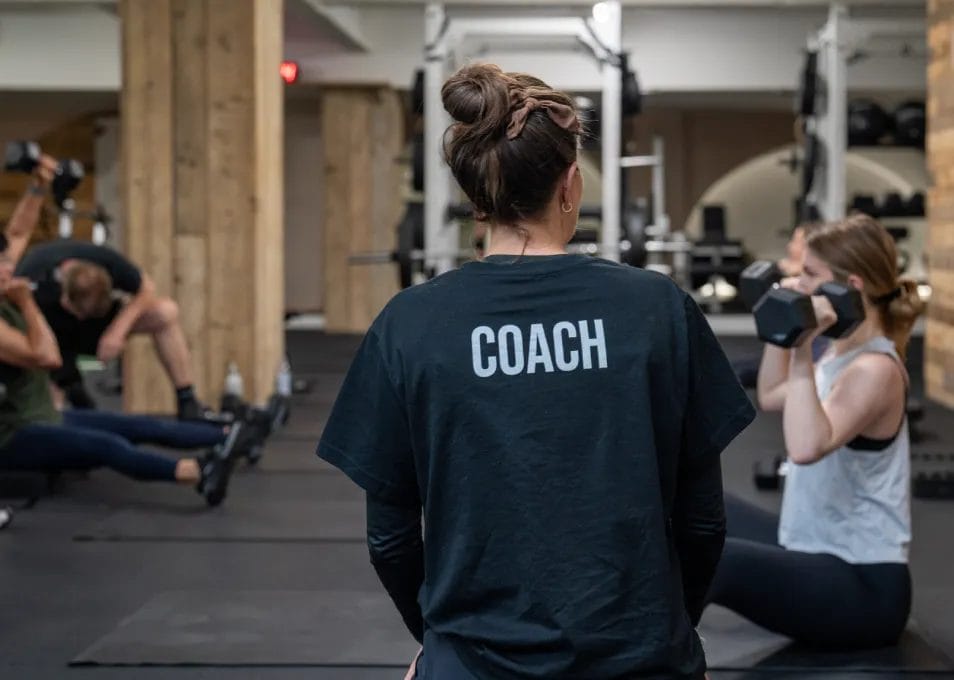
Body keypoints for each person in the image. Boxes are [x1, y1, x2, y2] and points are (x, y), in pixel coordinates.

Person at [317, 63, 754, 679]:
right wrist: (669, 632)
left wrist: (443, 644)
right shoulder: (659, 309)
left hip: (473, 664)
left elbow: (390, 540)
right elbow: (703, 521)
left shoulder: (408, 323)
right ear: (570, 186)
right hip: (643, 659)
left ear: (476, 199)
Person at [706, 213, 925, 649]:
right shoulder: (842, 352)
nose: (795, 281)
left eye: (809, 274)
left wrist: (802, 343)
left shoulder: (875, 369)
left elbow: (806, 447)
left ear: (849, 287)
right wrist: (779, 324)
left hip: (863, 586)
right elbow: (773, 395)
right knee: (700, 503)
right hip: (811, 548)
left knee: (716, 562)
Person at [0, 243, 248, 506]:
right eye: (1, 265)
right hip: (11, 436)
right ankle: (198, 473)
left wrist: (25, 303)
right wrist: (27, 303)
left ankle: (230, 435)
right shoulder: (16, 307)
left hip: (41, 416)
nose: (9, 270)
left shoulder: (10, 304)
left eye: (6, 261)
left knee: (137, 426)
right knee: (107, 446)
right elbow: (49, 357)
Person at [13, 239, 212, 419]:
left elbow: (147, 289)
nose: (82, 317)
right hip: (51, 332)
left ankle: (187, 398)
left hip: (101, 327)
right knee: (52, 413)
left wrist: (117, 331)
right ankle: (69, 391)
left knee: (165, 312)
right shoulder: (34, 272)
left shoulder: (108, 262)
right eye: (80, 312)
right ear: (65, 298)